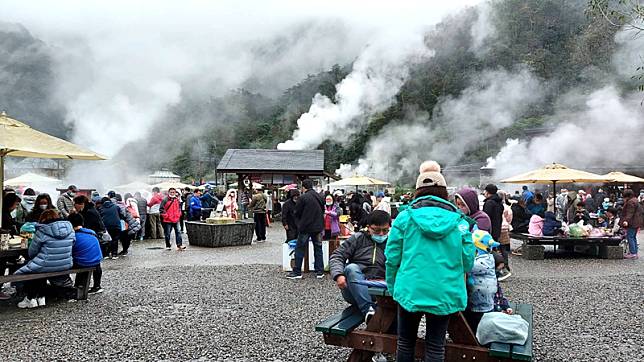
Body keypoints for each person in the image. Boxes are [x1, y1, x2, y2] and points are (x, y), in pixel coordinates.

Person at [386, 160, 475, 362]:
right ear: (444, 192)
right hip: (445, 290)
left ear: (417, 191)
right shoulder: (459, 222)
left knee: (405, 342)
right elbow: (468, 261)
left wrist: (393, 287)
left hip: (410, 289)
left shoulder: (403, 218)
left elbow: (392, 258)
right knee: (436, 346)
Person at [330, 210, 390, 319]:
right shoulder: (358, 238)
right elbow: (337, 255)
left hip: (382, 291)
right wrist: (338, 275)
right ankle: (369, 310)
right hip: (354, 289)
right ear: (368, 227)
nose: (381, 234)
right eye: (376, 230)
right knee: (351, 268)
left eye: (385, 230)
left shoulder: (392, 243)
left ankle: (372, 314)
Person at [15, 210, 74, 309]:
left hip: (45, 265)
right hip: (65, 264)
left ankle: (30, 298)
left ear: (42, 219)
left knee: (30, 266)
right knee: (38, 266)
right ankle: (41, 297)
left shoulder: (42, 231)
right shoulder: (70, 230)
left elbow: (32, 253)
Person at [287, 179, 325, 279]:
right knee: (318, 248)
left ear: (303, 187)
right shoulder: (319, 196)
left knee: (300, 248)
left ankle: (297, 272)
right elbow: (323, 210)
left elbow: (297, 212)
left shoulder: (303, 197)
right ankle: (320, 271)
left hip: (306, 226)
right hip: (318, 226)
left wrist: (299, 223)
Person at [464, 230, 499, 333]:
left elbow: (470, 267)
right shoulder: (482, 257)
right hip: (479, 297)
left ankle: (480, 339)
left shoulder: (486, 259)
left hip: (483, 302)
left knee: (480, 323)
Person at [68, 213, 103, 294]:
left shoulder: (72, 236)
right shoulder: (91, 232)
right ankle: (97, 286)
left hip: (82, 262)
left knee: (79, 259)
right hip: (97, 260)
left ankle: (76, 287)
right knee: (89, 257)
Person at [620, 189, 641, 259]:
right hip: (636, 221)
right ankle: (635, 252)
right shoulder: (635, 200)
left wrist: (626, 221)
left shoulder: (630, 202)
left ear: (627, 196)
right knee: (633, 237)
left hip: (632, 222)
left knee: (630, 237)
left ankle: (633, 253)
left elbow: (630, 213)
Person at [497, 191, 513, 281]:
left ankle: (500, 267)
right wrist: (507, 224)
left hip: (498, 228)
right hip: (505, 228)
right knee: (504, 249)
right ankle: (506, 266)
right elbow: (510, 218)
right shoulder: (507, 207)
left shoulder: (495, 206)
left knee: (497, 249)